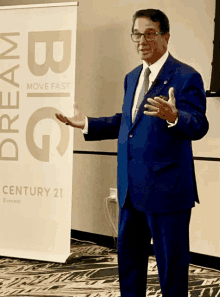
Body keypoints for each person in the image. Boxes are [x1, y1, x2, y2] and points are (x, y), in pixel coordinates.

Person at [55, 9, 209, 297]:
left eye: (149, 33)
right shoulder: (132, 77)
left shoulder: (186, 76)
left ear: (166, 37)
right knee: (129, 265)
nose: (141, 40)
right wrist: (87, 123)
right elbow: (126, 123)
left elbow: (199, 124)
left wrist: (175, 117)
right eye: (136, 34)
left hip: (167, 192)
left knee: (172, 271)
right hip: (130, 191)